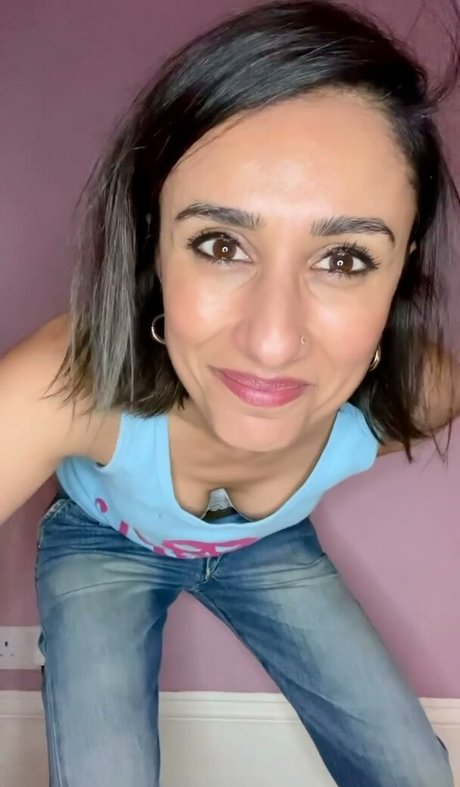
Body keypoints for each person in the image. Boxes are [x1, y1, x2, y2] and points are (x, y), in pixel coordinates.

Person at [1, 0, 459, 784]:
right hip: (101, 542)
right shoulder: (71, 378)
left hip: (267, 547)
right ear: (154, 241)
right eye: (220, 244)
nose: (272, 341)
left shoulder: (422, 394)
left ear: (402, 266)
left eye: (345, 258)